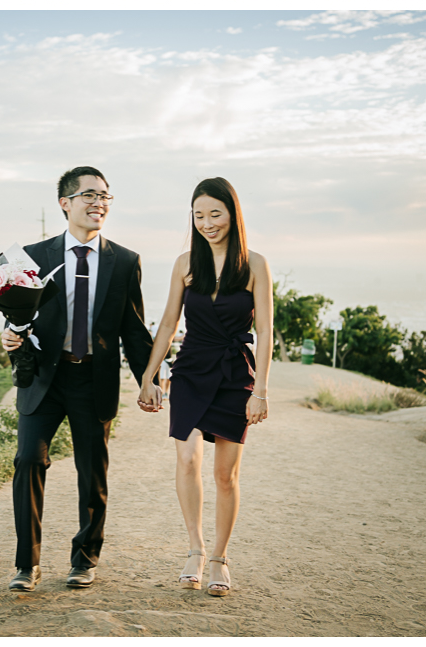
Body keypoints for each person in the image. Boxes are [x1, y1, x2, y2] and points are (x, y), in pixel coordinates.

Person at [2, 166, 153, 592]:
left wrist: (149, 380)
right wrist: (11, 335)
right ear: (65, 203)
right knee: (28, 459)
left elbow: (135, 330)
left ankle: (85, 558)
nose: (98, 202)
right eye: (89, 195)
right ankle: (26, 564)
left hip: (94, 380)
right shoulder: (34, 255)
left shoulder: (124, 262)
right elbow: (18, 313)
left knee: (92, 472)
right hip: (44, 379)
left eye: (105, 196)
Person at [137, 177, 273, 597]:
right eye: (199, 215)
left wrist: (261, 390)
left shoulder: (255, 264)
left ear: (232, 213)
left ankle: (219, 557)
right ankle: (194, 549)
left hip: (235, 375)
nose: (207, 223)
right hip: (192, 370)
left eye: (215, 213)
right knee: (188, 460)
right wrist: (149, 374)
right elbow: (167, 323)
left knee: (226, 476)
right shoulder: (185, 263)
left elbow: (266, 332)